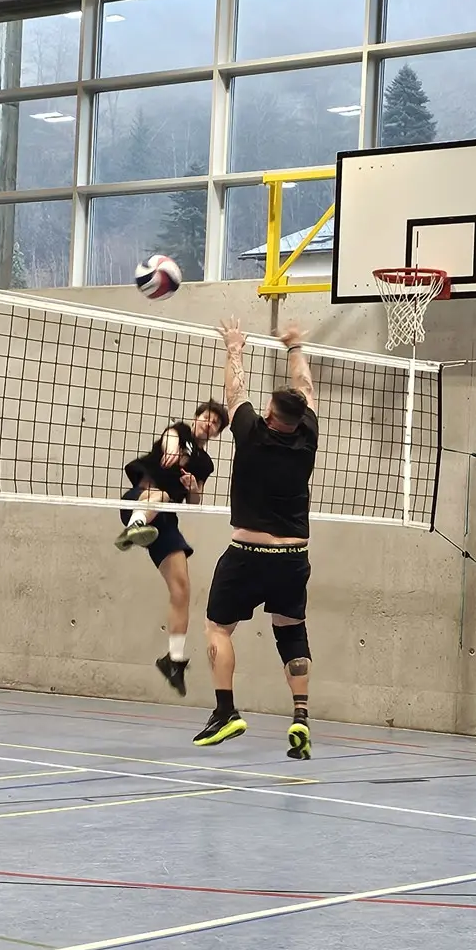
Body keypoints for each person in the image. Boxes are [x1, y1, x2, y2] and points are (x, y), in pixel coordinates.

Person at [195, 318, 318, 758]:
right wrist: (295, 345)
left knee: (217, 627)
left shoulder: (250, 432)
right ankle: (300, 716)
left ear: (268, 415)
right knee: (291, 630)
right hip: (294, 558)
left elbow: (233, 393)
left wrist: (233, 346)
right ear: (299, 418)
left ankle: (226, 711)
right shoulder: (308, 436)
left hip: (247, 554)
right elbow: (303, 384)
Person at [115, 400, 230, 696]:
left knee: (182, 589)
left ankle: (174, 660)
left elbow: (195, 503)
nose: (209, 423)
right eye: (207, 417)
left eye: (216, 423)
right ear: (197, 417)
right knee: (161, 495)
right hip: (140, 498)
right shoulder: (178, 432)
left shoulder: (204, 463)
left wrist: (193, 487)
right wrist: (171, 449)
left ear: (217, 432)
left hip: (165, 519)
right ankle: (134, 527)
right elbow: (170, 437)